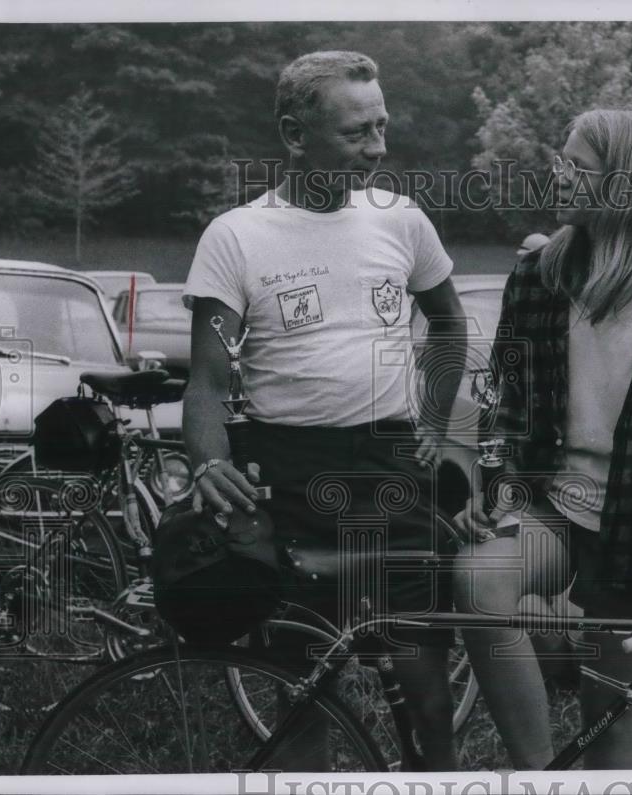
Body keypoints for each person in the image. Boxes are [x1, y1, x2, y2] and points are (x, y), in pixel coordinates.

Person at [182, 50, 466, 770]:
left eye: (381, 127)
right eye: (355, 134)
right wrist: (209, 459)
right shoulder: (236, 236)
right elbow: (209, 381)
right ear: (294, 132)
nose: (377, 149)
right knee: (304, 682)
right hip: (291, 471)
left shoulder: (401, 220)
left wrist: (433, 420)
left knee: (425, 689)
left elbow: (449, 321)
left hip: (393, 465)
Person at [453, 108, 632, 769]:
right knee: (478, 581)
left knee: (609, 714)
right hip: (550, 502)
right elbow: (510, 402)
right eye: (562, 159)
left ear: (626, 183)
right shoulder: (539, 271)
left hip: (631, 518)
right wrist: (500, 490)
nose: (559, 174)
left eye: (578, 166)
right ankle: (540, 771)